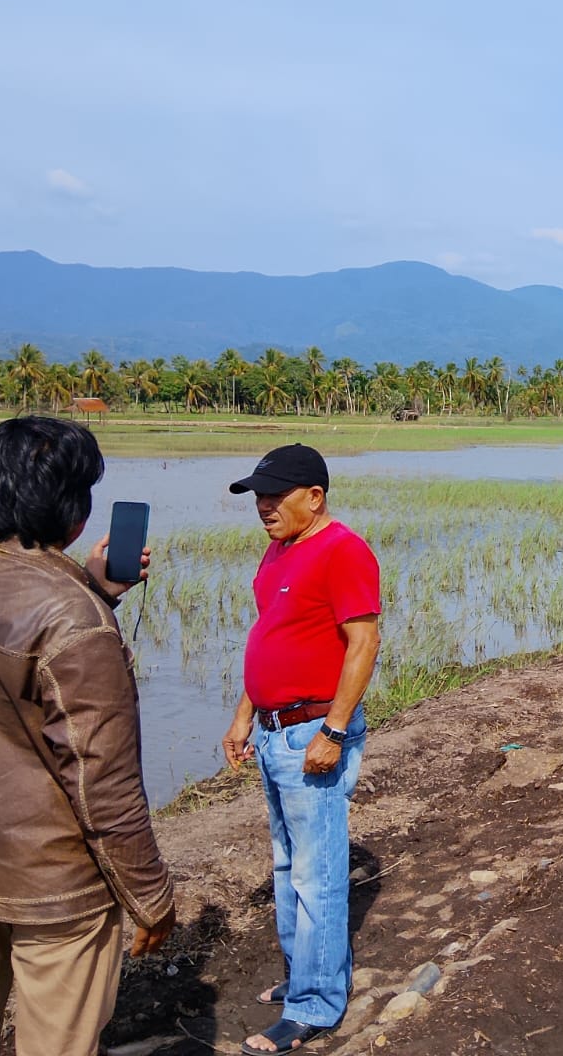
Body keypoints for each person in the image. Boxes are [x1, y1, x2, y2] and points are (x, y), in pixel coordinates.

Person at [0, 416, 174, 1056]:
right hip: (53, 886)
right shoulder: (75, 621)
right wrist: (152, 897)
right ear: (75, 513)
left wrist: (89, 587)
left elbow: (0, 685)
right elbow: (104, 785)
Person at [220, 444, 381, 1055]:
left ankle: (315, 1005)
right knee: (288, 866)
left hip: (313, 732)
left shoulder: (343, 550)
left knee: (317, 873)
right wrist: (244, 716)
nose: (263, 506)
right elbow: (271, 634)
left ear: (314, 496)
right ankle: (301, 978)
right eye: (257, 496)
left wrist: (334, 731)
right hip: (273, 729)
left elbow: (362, 644)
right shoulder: (281, 549)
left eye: (274, 495)